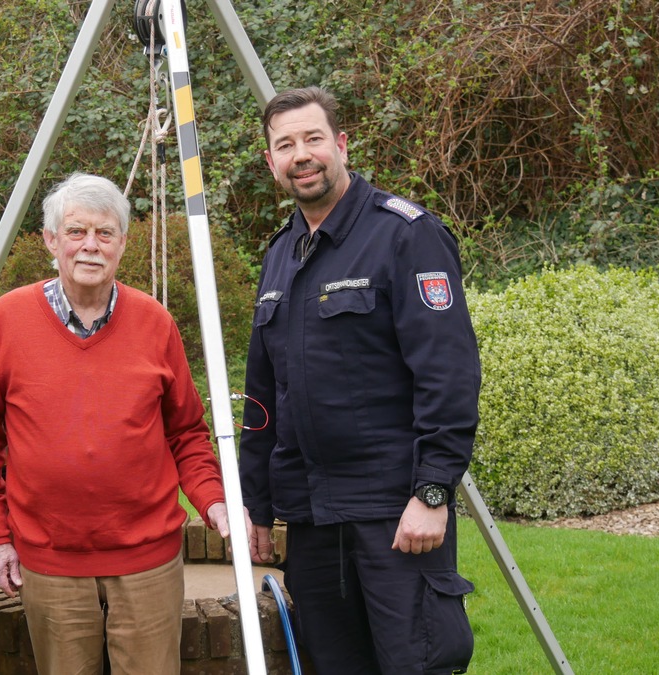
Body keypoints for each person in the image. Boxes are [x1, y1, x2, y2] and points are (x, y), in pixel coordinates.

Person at [239, 86, 481, 674]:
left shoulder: (405, 235)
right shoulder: (280, 257)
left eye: (313, 138)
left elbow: (447, 374)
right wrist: (257, 506)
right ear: (272, 161)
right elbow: (263, 396)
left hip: (394, 515)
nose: (301, 154)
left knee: (414, 663)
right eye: (285, 144)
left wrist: (432, 492)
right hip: (314, 521)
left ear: (342, 145)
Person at [0, 172, 231, 675]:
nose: (90, 246)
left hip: (148, 560)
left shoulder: (155, 322)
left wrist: (212, 501)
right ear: (50, 240)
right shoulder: (8, 320)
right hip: (50, 562)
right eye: (76, 232)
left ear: (123, 245)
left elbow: (186, 432)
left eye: (105, 233)